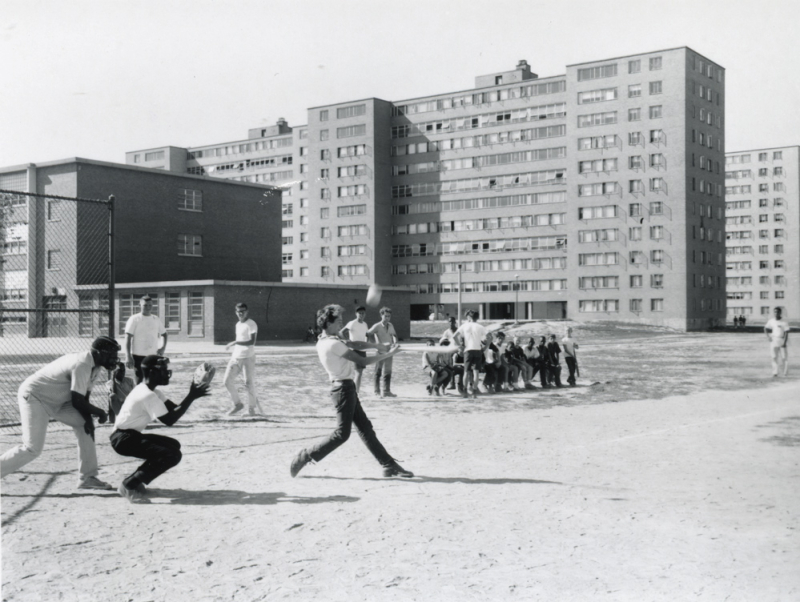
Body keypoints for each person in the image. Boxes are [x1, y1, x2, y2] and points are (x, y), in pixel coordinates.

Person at [289, 305, 413, 478]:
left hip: (347, 388)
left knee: (365, 429)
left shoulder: (328, 339)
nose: (341, 325)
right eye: (338, 322)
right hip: (343, 390)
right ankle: (306, 455)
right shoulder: (332, 344)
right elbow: (362, 361)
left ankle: (389, 464)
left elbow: (355, 344)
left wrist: (378, 345)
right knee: (342, 434)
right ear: (328, 323)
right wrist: (388, 353)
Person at [1, 337, 118, 490]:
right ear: (97, 353)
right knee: (32, 448)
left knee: (85, 427)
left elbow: (84, 396)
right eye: (110, 354)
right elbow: (77, 401)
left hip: (59, 400)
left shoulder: (95, 365)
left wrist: (88, 420)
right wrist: (100, 412)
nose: (114, 358)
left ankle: (87, 477)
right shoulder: (82, 364)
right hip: (35, 397)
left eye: (115, 354)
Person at [110, 355, 210, 503]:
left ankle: (136, 481)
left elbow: (174, 409)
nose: (166, 373)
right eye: (162, 370)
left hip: (127, 436)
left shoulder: (152, 391)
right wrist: (191, 396)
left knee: (172, 445)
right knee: (172, 454)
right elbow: (169, 420)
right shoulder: (147, 395)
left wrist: (192, 394)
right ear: (151, 372)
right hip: (123, 439)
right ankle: (129, 485)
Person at [223, 303, 263, 416]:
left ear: (247, 311)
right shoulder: (237, 324)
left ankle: (251, 409)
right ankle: (237, 404)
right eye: (238, 311)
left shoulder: (251, 324)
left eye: (243, 311)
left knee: (248, 383)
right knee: (226, 381)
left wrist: (235, 342)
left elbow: (252, 342)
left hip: (248, 358)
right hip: (236, 357)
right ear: (236, 312)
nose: (241, 313)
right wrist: (236, 346)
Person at [124, 295, 167, 383]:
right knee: (139, 382)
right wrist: (128, 356)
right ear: (139, 305)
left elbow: (164, 334)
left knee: (152, 381)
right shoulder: (134, 319)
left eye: (150, 305)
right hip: (138, 356)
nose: (148, 308)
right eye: (145, 305)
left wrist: (163, 348)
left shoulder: (156, 319)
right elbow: (127, 337)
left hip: (153, 356)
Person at [453, 309, 489, 399]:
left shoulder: (464, 325)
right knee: (476, 372)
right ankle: (474, 392)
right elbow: (490, 336)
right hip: (477, 350)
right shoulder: (480, 326)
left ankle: (465, 391)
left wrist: (460, 346)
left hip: (468, 350)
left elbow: (454, 336)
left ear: (469, 317)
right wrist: (486, 346)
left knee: (466, 371)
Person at [368, 307, 398, 398]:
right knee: (378, 372)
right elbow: (368, 333)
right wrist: (375, 345)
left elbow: (394, 335)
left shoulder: (391, 325)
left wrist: (395, 343)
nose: (387, 318)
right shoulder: (377, 325)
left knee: (388, 372)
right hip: (380, 352)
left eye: (389, 316)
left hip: (389, 352)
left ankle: (386, 391)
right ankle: (376, 391)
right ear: (381, 315)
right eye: (385, 316)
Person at [342, 306, 369, 393]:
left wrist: (366, 344)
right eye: (359, 313)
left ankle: (355, 392)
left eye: (363, 313)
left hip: (363, 350)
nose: (361, 315)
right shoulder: (352, 323)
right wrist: (347, 340)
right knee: (358, 372)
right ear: (356, 314)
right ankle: (354, 393)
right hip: (355, 351)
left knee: (360, 373)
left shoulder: (365, 324)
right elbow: (342, 332)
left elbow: (367, 335)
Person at [764, 307, 790, 377]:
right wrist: (768, 337)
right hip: (773, 340)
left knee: (784, 357)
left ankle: (785, 373)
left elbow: (786, 333)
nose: (776, 313)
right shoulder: (771, 321)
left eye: (778, 312)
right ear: (774, 313)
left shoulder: (784, 321)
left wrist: (784, 343)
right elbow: (765, 328)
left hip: (782, 340)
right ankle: (775, 372)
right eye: (775, 312)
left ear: (780, 313)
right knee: (774, 357)